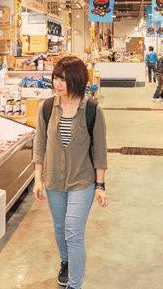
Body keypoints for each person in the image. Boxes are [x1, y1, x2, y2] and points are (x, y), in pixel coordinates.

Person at [33, 56, 108, 289]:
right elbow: (39, 144)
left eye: (64, 79)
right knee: (59, 228)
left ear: (77, 80)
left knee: (74, 233)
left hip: (82, 181)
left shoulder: (92, 110)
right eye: (56, 78)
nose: (58, 83)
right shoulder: (46, 107)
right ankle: (65, 262)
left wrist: (100, 186)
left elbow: (100, 151)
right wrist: (37, 178)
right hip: (53, 180)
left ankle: (74, 286)